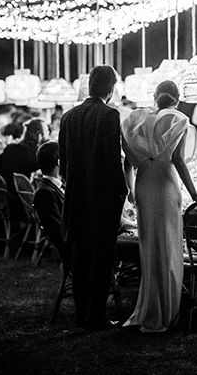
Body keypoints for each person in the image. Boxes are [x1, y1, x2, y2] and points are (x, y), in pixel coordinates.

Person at [122, 80, 197, 334]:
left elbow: (127, 163)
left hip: (144, 184)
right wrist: (193, 192)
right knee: (169, 245)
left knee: (149, 246)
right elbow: (179, 161)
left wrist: (130, 188)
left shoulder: (133, 122)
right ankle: (167, 310)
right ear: (177, 99)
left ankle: (150, 307)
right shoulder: (178, 121)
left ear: (155, 96)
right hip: (166, 184)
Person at [59, 65, 127, 331]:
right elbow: (112, 159)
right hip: (101, 199)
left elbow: (63, 161)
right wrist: (122, 190)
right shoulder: (109, 115)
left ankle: (80, 313)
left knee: (80, 258)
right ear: (110, 89)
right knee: (101, 259)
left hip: (76, 197)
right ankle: (97, 316)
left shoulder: (68, 116)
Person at [0, 118, 45, 217]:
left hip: (3, 196)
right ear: (39, 134)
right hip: (22, 201)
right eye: (47, 131)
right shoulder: (35, 155)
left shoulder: (10, 148)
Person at [33, 141, 66, 260]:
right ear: (59, 162)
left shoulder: (56, 186)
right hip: (75, 247)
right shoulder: (45, 192)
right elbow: (56, 231)